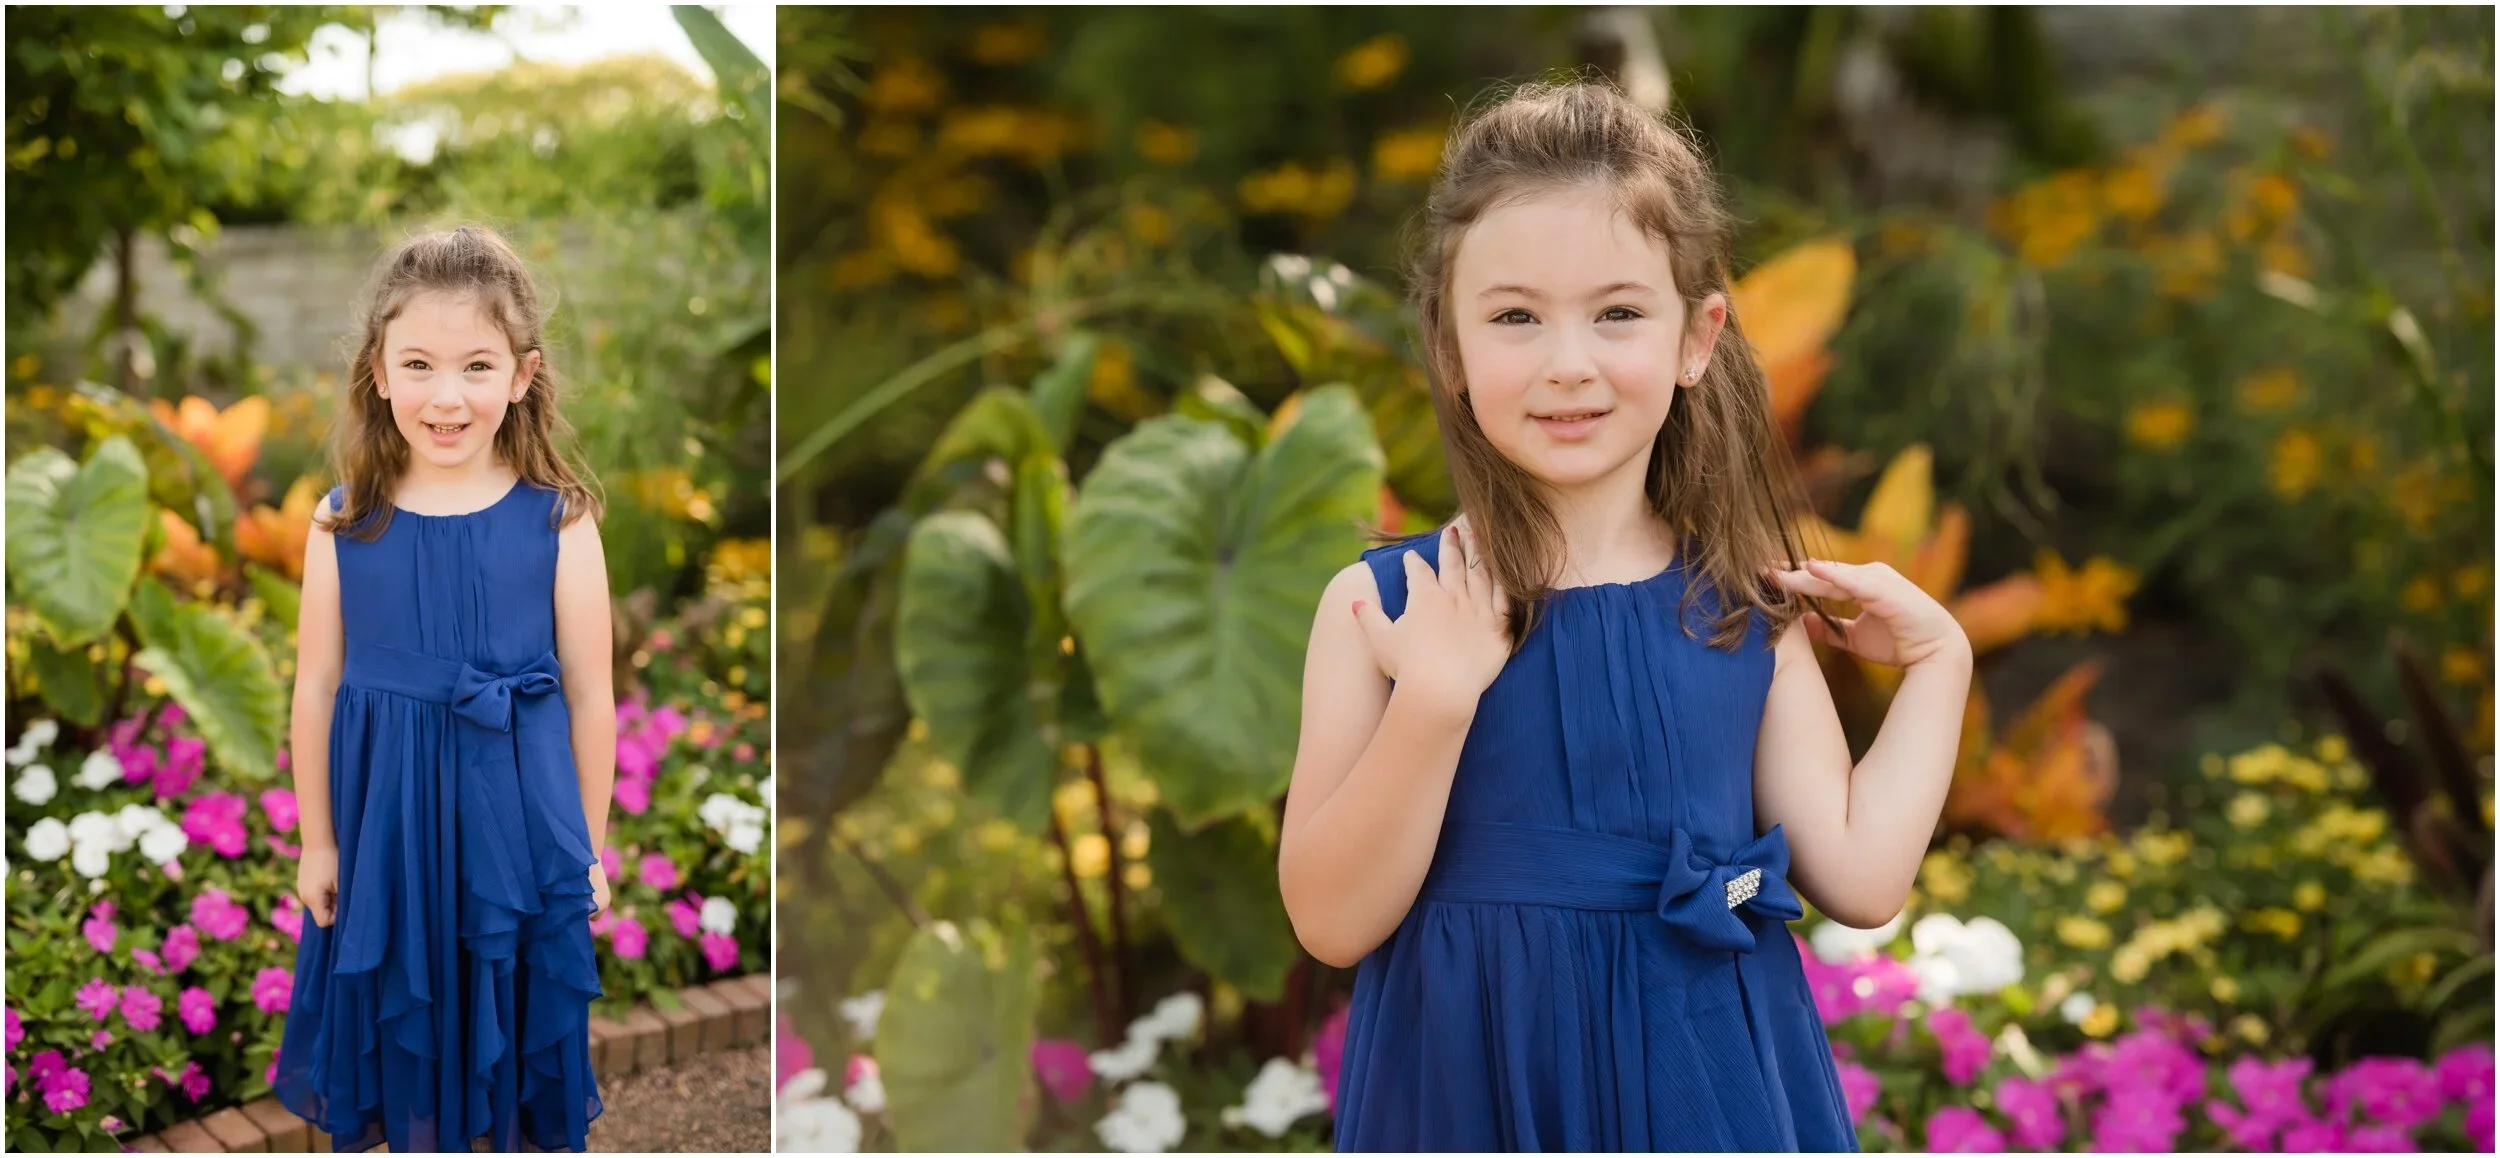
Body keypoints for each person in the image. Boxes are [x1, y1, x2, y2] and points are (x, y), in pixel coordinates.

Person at [1278, 81, 1973, 1152]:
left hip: (1709, 1087)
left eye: (1616, 313)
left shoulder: (1742, 611)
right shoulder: (1383, 609)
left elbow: (1862, 878)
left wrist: (1938, 659)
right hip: (1470, 1088)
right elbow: (1330, 923)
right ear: (1451, 347)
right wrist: (1434, 702)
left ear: (1697, 337)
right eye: (1515, 317)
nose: (1569, 364)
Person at [272, 225, 616, 1153]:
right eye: (419, 365)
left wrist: (586, 851)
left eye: (477, 367)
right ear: (379, 373)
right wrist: (318, 841)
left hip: (518, 827)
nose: (447, 396)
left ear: (522, 375)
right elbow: (317, 688)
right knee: (406, 1039)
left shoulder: (561, 521)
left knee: (509, 1040)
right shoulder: (344, 522)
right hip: (389, 831)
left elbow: (591, 697)